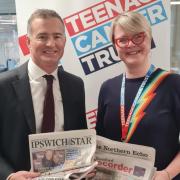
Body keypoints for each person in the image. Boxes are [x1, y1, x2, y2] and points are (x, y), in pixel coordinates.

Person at [0, 9, 87, 180]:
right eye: (42, 37)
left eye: (57, 37)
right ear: (28, 42)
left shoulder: (75, 85)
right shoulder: (3, 86)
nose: (50, 44)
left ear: (64, 41)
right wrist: (9, 176)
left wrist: (85, 166)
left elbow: (80, 138)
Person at [96, 11, 180, 179]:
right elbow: (100, 141)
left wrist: (167, 174)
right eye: (122, 40)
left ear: (149, 39)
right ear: (115, 46)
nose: (130, 44)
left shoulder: (174, 84)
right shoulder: (108, 87)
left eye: (138, 37)